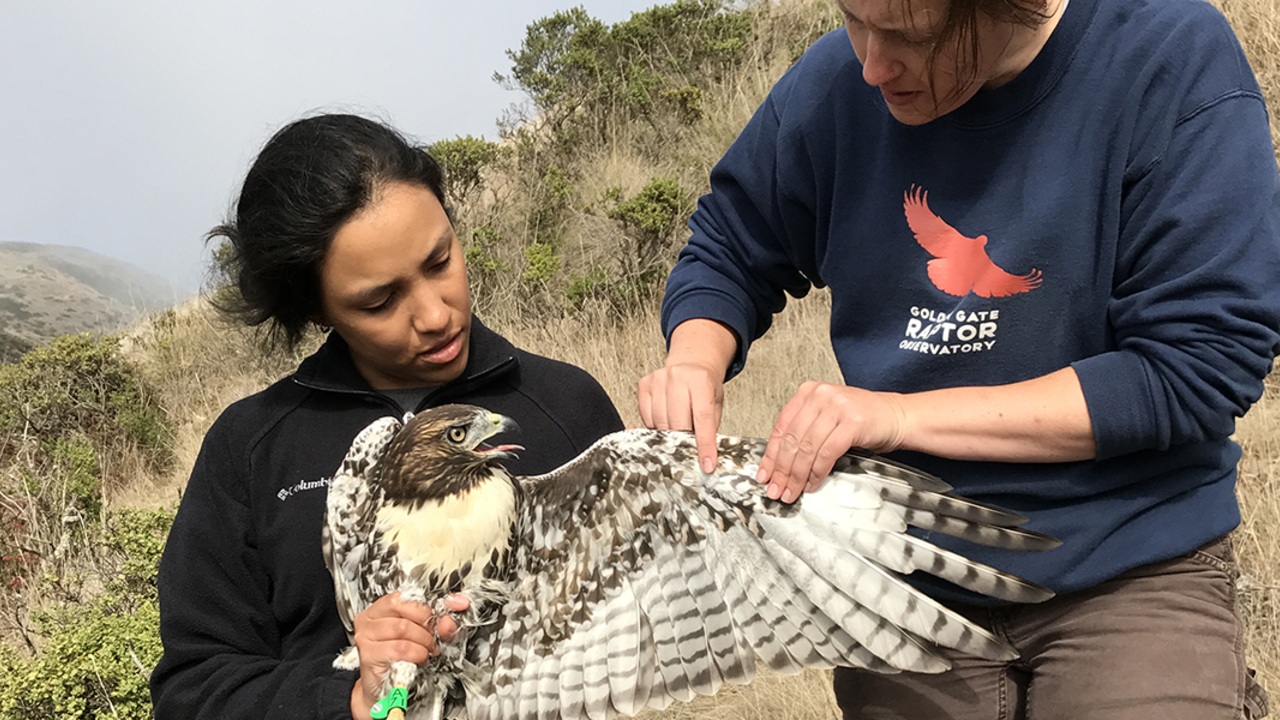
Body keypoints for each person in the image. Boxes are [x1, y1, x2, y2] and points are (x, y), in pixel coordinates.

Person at [638, 0, 1280, 716]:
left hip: (1126, 558)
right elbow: (731, 241)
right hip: (906, 580)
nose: (872, 65)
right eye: (852, 17)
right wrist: (694, 356)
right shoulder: (833, 85)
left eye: (913, 37)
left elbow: (1192, 370)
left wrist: (892, 417)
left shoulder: (1166, 57)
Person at [149, 114, 625, 720]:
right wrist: (347, 697)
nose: (433, 314)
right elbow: (194, 692)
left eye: (440, 261)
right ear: (316, 308)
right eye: (380, 300)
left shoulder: (564, 405)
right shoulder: (253, 448)